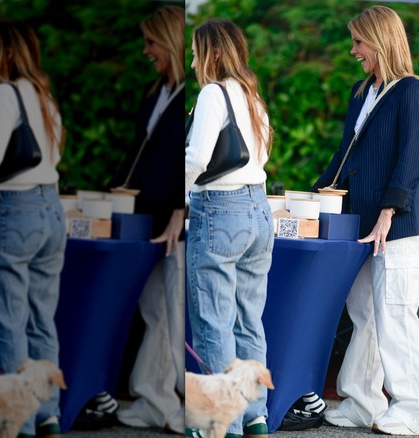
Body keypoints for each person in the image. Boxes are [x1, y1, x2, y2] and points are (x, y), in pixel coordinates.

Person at [313, 5, 419, 436]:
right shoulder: (362, 93)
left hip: (393, 227)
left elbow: (408, 158)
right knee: (363, 314)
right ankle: (362, 403)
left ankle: (412, 411)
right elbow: (343, 157)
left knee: (396, 317)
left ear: (381, 40)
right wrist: (313, 195)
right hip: (355, 224)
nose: (353, 50)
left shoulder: (411, 90)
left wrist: (388, 213)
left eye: (359, 41)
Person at [184, 18, 274, 438]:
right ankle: (255, 415)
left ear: (214, 53)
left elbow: (196, 158)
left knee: (214, 322)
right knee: (248, 321)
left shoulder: (211, 94)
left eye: (196, 49)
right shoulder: (252, 95)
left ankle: (224, 423)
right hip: (258, 210)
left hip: (220, 210)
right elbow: (263, 155)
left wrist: (181, 197)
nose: (192, 57)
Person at [0, 20, 66, 438]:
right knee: (39, 321)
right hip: (50, 210)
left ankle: (15, 423)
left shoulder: (5, 93)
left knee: (6, 321)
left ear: (5, 54)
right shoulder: (44, 96)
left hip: (13, 211)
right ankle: (46, 413)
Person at [107, 5, 186, 434]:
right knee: (156, 310)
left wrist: (181, 211)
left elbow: (191, 163)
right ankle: (155, 401)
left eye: (151, 41)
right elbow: (137, 156)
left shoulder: (187, 94)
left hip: (174, 222)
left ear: (170, 40)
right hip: (145, 219)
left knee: (174, 313)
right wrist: (108, 195)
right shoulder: (158, 93)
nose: (145, 50)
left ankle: (181, 404)